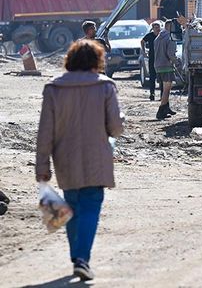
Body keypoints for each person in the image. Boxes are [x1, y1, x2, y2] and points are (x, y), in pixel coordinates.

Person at [35, 40, 124, 281]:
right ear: (97, 62)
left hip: (65, 159)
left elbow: (45, 132)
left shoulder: (53, 89)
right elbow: (115, 129)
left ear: (70, 61)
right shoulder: (106, 87)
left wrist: (42, 166)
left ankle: (77, 258)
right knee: (91, 205)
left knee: (71, 205)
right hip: (97, 157)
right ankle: (82, 259)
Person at [154, 19, 177, 120]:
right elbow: (170, 54)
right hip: (167, 66)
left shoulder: (158, 37)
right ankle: (160, 111)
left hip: (158, 66)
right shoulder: (170, 37)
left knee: (164, 88)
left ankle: (166, 108)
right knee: (167, 90)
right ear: (170, 26)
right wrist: (178, 62)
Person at [141, 21, 162, 101]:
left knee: (160, 77)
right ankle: (152, 94)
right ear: (152, 29)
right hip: (152, 58)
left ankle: (162, 95)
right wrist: (144, 51)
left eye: (158, 27)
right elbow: (142, 41)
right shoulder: (150, 36)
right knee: (152, 77)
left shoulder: (161, 36)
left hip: (160, 58)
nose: (157, 29)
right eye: (155, 28)